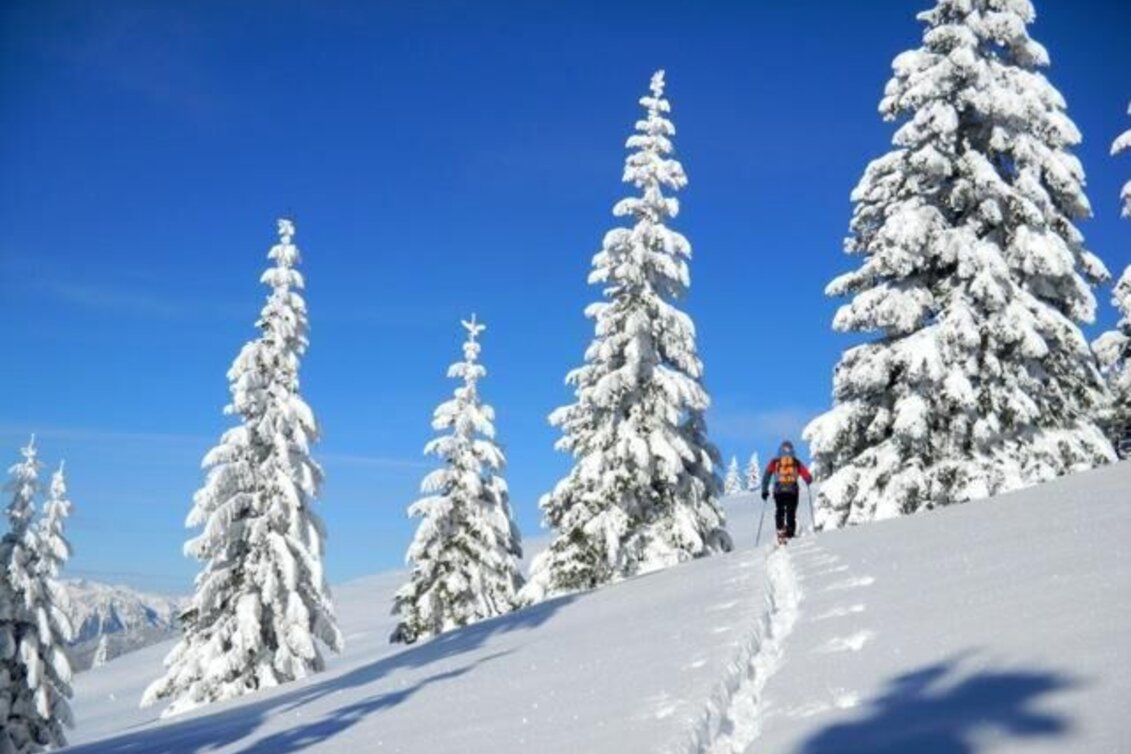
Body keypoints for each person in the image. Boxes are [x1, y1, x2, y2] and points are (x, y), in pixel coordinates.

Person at [760, 440, 812, 545]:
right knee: (791, 511)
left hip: (779, 491)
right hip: (792, 491)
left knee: (780, 510)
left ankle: (780, 530)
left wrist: (764, 490)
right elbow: (807, 476)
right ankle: (790, 533)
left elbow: (766, 476)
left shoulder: (774, 462)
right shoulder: (796, 462)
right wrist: (808, 480)